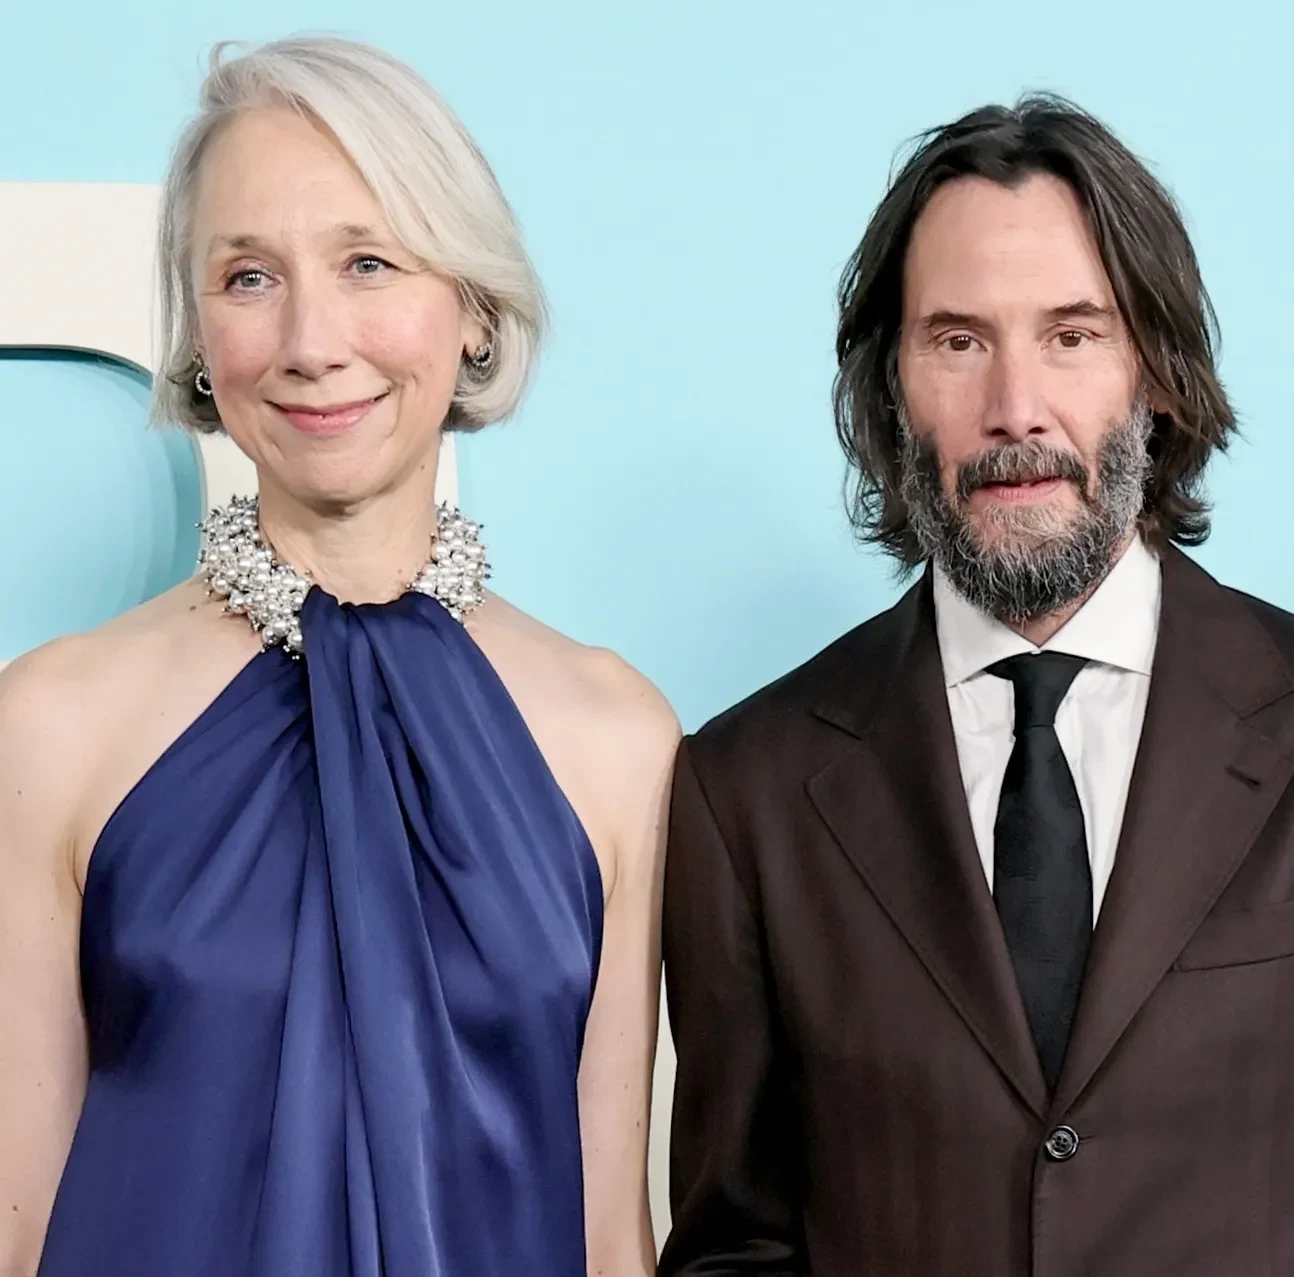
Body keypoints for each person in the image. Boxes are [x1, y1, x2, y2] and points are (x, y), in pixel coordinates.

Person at [0, 35, 676, 1277]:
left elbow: (607, 1235)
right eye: (248, 276)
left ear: (473, 310)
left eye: (369, 262)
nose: (310, 340)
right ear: (197, 330)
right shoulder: (50, 723)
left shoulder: (617, 739)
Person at [660, 95, 1294, 1276]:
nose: (1015, 408)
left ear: (1156, 372)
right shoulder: (746, 785)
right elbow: (733, 1243)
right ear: (891, 387)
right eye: (957, 341)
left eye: (1072, 336)